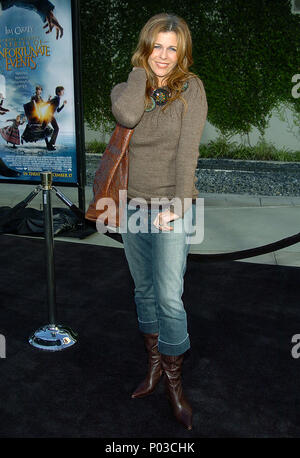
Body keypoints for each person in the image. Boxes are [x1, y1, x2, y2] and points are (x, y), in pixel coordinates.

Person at [110, 13, 207, 430]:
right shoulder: (127, 87)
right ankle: (153, 366)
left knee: (169, 296)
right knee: (144, 290)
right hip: (130, 204)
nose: (164, 56)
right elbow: (129, 117)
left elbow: (188, 154)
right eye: (157, 47)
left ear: (181, 51)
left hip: (172, 206)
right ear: (145, 47)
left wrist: (180, 206)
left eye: (173, 48)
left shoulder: (192, 89)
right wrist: (139, 74)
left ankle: (173, 383)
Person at [46, 86, 67, 150]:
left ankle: (50, 144)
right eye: (62, 91)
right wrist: (49, 99)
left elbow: (58, 110)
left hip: (50, 115)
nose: (63, 92)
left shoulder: (58, 99)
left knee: (55, 128)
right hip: (48, 115)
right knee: (55, 128)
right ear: (58, 92)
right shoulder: (56, 98)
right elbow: (47, 103)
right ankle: (50, 144)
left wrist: (63, 105)